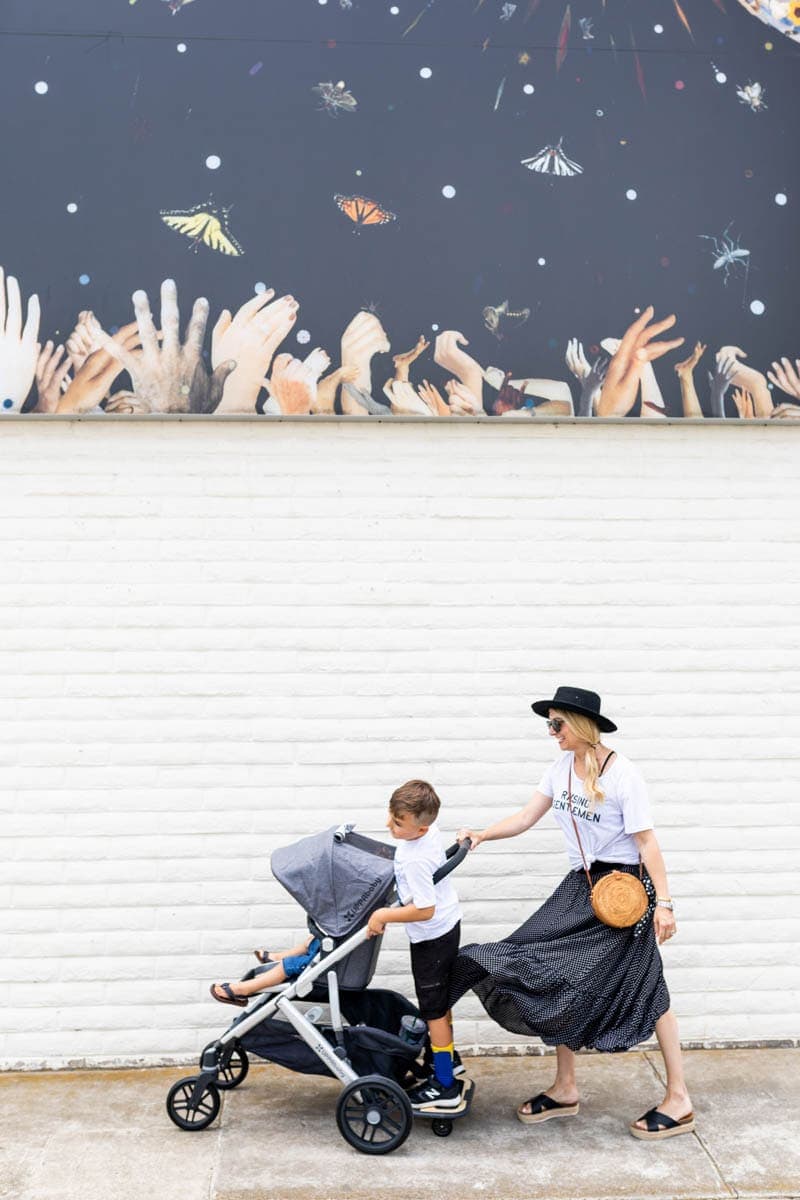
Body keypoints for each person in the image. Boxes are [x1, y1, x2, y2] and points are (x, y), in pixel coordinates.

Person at [453, 686, 695, 1141]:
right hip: (581, 887)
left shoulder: (624, 775)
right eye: (548, 724)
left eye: (557, 724)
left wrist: (664, 904)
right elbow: (526, 817)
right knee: (551, 972)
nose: (551, 732)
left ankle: (679, 1098)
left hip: (623, 894)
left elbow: (647, 844)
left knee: (649, 984)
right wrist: (482, 834)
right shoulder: (560, 768)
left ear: (582, 726)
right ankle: (565, 1087)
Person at [366, 779, 465, 1111]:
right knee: (441, 1000)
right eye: (391, 817)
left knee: (433, 1009)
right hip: (449, 927)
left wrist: (383, 915)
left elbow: (425, 909)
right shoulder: (428, 836)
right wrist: (462, 842)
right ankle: (448, 1060)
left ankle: (445, 1086)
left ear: (421, 827)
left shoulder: (415, 859)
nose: (389, 826)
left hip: (432, 937)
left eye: (397, 823)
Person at [209, 935, 320, 1006]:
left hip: (329, 967)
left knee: (291, 964)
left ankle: (243, 989)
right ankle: (278, 957)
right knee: (313, 941)